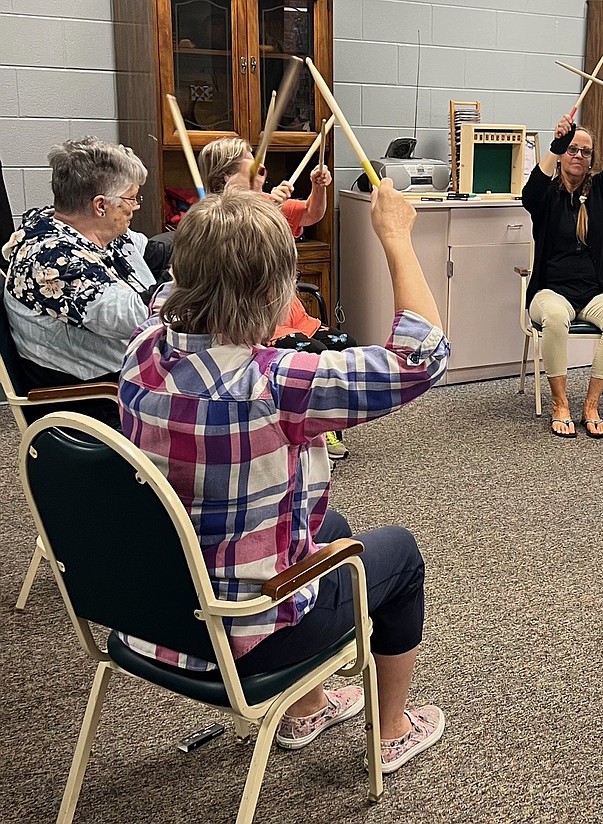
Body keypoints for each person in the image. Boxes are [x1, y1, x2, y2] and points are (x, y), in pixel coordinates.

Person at [117, 182, 450, 769]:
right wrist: (396, 236)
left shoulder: (142, 348)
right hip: (242, 637)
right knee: (401, 554)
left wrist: (227, 214)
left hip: (152, 610)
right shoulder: (277, 384)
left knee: (335, 523)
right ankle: (393, 728)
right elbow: (422, 358)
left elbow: (180, 288)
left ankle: (306, 710)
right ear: (274, 291)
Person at [198, 136, 355, 460]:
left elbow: (312, 213)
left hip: (289, 313)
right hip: (255, 318)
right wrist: (263, 213)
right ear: (226, 176)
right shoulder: (213, 218)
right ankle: (307, 429)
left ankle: (326, 426)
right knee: (312, 357)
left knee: (342, 345)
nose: (257, 161)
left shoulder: (272, 202)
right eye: (247, 156)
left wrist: (317, 188)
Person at [2, 137, 159, 423]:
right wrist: (202, 277)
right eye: (131, 198)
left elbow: (153, 251)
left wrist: (208, 234)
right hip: (95, 402)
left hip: (127, 381)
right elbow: (138, 316)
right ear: (100, 206)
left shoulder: (84, 228)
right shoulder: (52, 260)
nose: (136, 206)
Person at [521, 83, 603, 438]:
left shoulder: (601, 191)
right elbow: (530, 191)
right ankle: (560, 403)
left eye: (585, 152)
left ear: (591, 160)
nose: (578, 155)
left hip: (593, 292)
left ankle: (590, 404)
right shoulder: (546, 195)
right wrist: (555, 144)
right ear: (562, 154)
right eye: (572, 149)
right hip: (550, 292)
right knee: (556, 318)